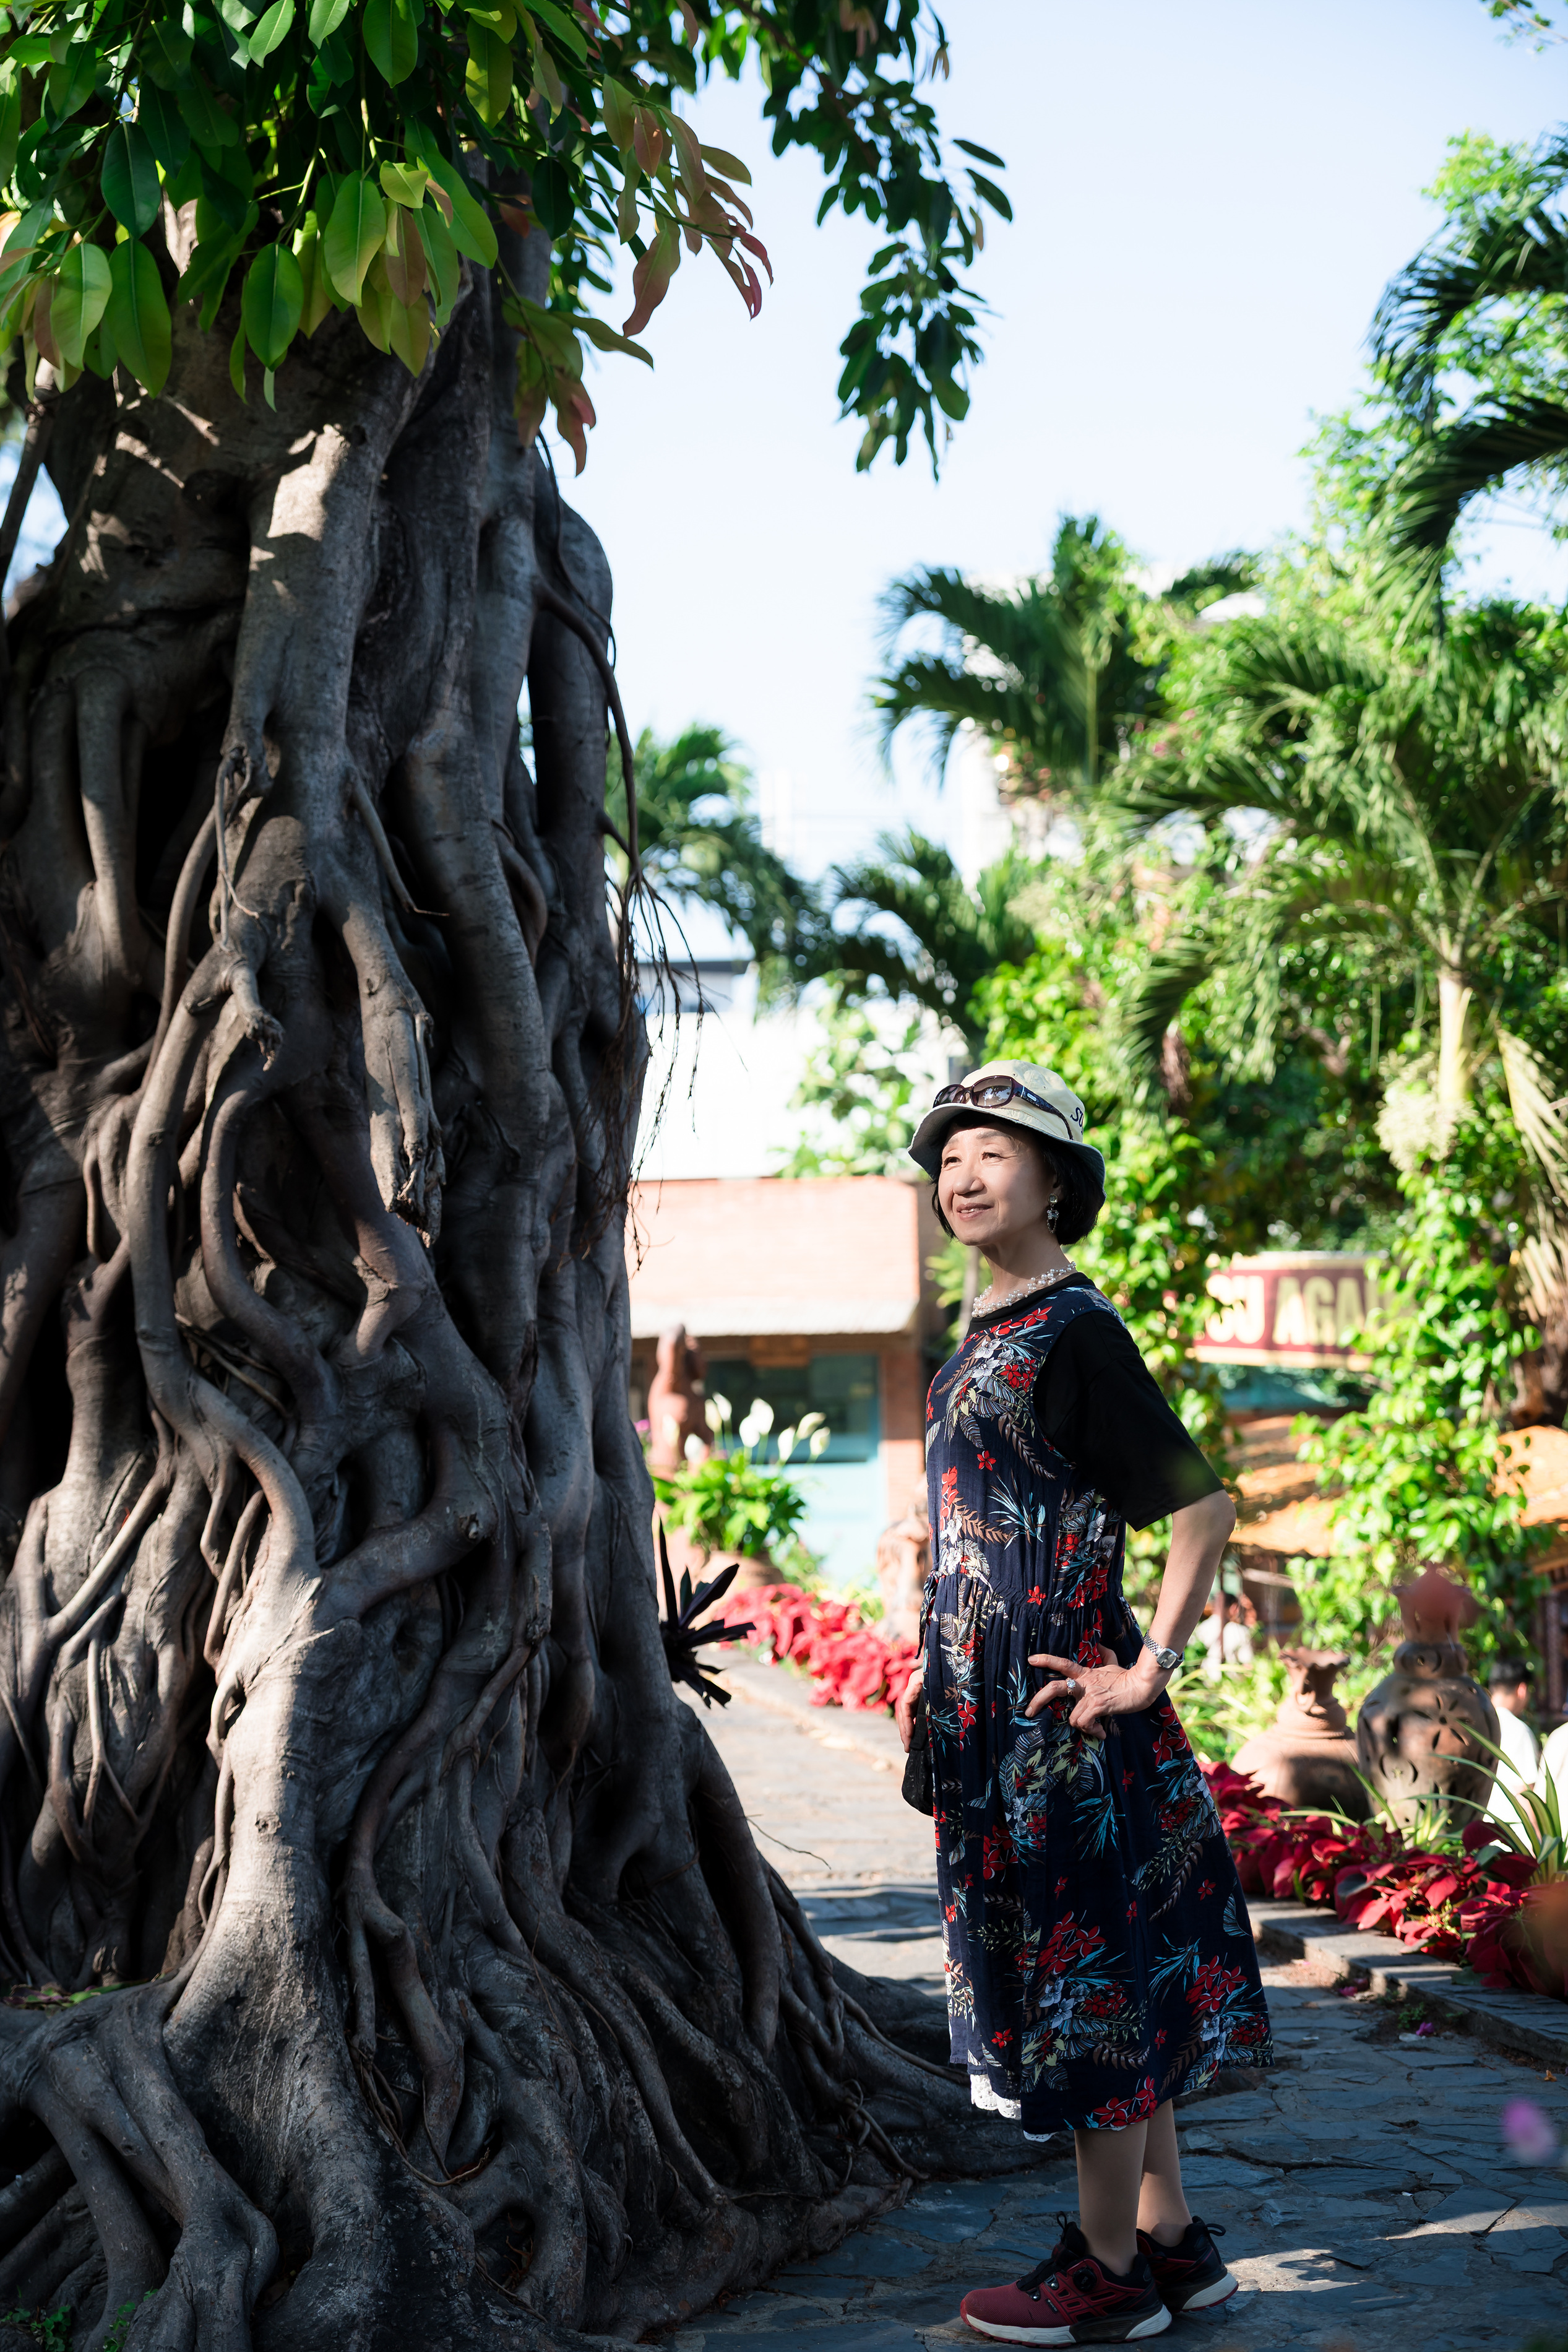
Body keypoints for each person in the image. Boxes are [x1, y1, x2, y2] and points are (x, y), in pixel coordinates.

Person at [895, 1060, 1272, 2345]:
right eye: (949, 1156)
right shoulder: (984, 1332)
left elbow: (1200, 1506)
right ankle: (1170, 2242)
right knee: (1103, 1968)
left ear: (1054, 1180)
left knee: (1089, 1980)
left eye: (992, 1151)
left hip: (1065, 1720)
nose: (963, 1174)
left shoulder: (1073, 1332)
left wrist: (1147, 1666)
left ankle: (1104, 2274)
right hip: (991, 1718)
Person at [1483, 1659, 1541, 1832]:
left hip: (1480, 1831)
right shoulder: (1518, 1730)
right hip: (1513, 1836)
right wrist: (1539, 1837)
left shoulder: (1476, 1725)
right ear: (1522, 1689)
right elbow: (1525, 1794)